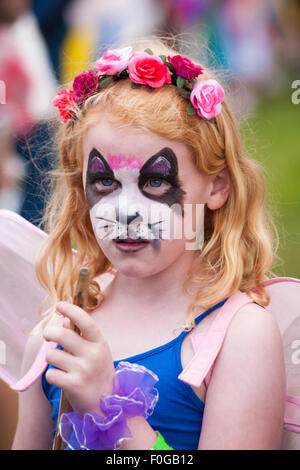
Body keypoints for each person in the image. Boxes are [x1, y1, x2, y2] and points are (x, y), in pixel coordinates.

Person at [11, 39, 286, 450]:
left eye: (155, 181)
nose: (124, 212)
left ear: (217, 186)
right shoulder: (61, 330)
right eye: (105, 182)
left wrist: (110, 407)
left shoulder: (238, 336)